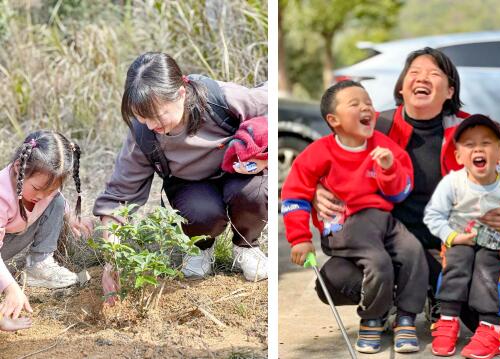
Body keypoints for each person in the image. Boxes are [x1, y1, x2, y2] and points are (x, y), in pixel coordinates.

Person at [312, 47, 500, 342]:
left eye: (434, 74)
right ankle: (391, 304)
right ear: (401, 86)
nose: (422, 78)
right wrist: (318, 189)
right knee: (333, 280)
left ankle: (435, 293)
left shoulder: (469, 130)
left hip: (447, 250)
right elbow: (323, 162)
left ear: (449, 90)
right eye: (414, 73)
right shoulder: (375, 126)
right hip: (390, 245)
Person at [95, 52, 268, 304]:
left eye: (158, 115)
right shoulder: (144, 135)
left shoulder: (220, 99)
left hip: (239, 175)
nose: (151, 124)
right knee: (201, 213)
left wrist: (265, 157)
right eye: (142, 117)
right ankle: (200, 249)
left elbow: (272, 104)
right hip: (191, 186)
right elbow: (119, 197)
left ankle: (246, 246)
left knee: (254, 193)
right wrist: (111, 262)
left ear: (181, 94)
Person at [282, 80, 427, 354]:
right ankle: (372, 318)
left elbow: (399, 192)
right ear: (333, 120)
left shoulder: (383, 147)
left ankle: (406, 316)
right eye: (355, 104)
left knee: (412, 251)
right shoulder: (318, 152)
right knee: (378, 261)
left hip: (383, 220)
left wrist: (388, 168)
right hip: (346, 223)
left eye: (368, 103)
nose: (366, 108)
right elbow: (294, 195)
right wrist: (299, 239)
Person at [424, 115, 500, 358]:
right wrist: (452, 235)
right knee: (456, 261)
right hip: (459, 243)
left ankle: (490, 327)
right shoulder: (452, 183)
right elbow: (433, 215)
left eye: (486, 143)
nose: (478, 148)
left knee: (487, 268)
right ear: (458, 156)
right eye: (469, 144)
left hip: (492, 247)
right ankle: (447, 319)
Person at [0, 130, 90, 323]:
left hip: (13, 235)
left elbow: (55, 197)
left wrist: (71, 216)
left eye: (50, 189)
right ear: (18, 168)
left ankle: (38, 265)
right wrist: (11, 288)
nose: (41, 196)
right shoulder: (2, 196)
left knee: (56, 201)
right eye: (37, 189)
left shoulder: (43, 191)